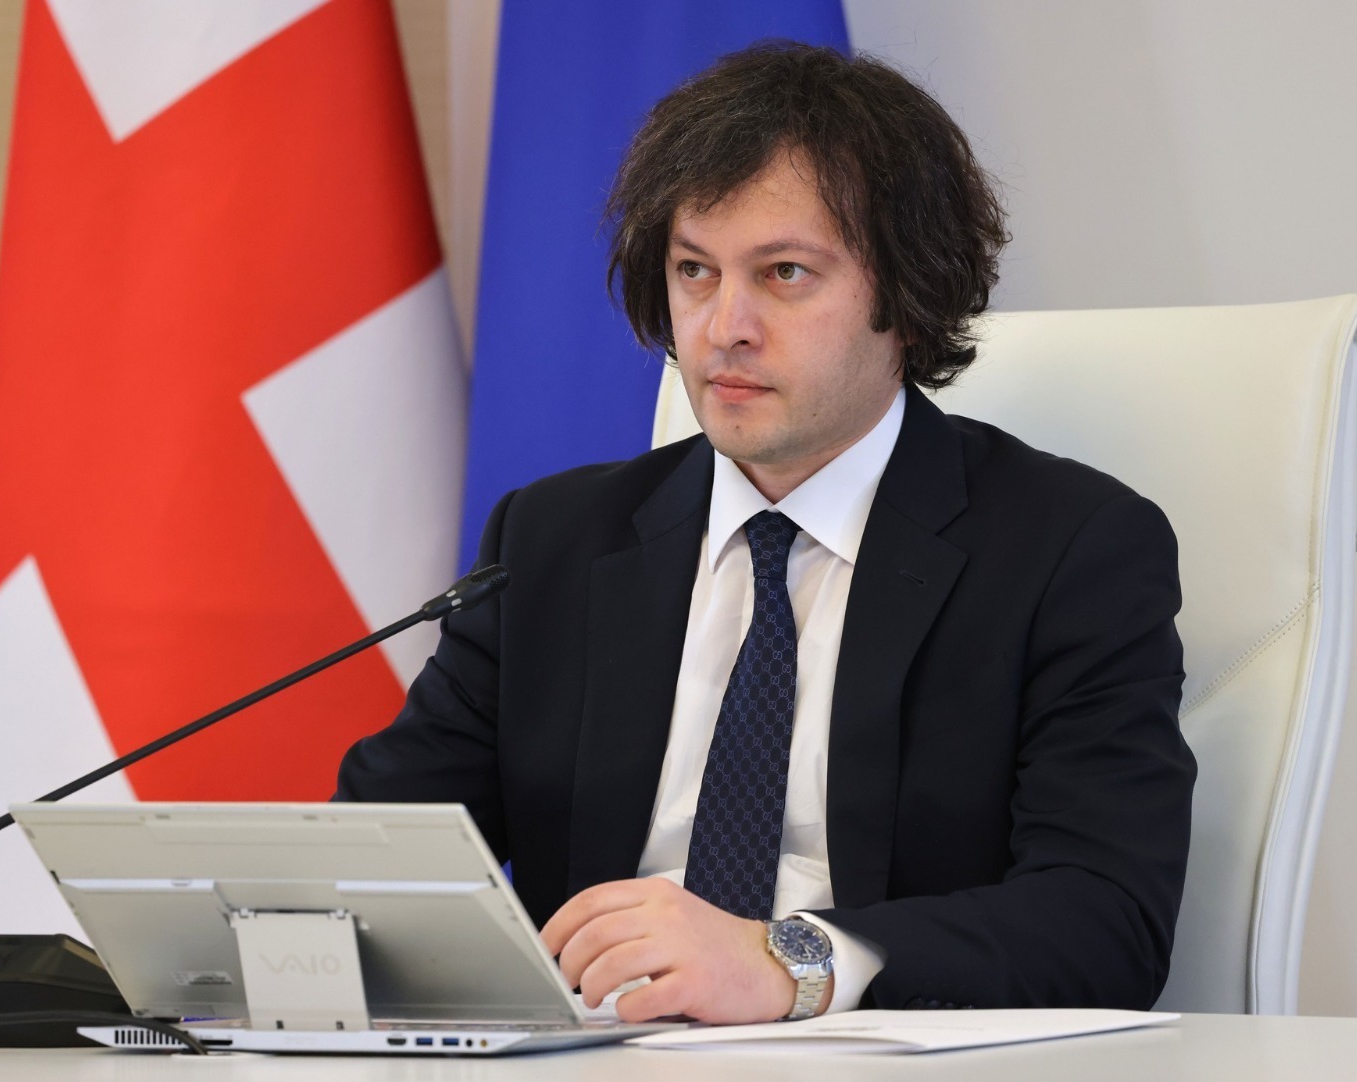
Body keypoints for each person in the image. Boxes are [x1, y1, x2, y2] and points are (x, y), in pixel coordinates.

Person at [336, 42, 1196, 1025]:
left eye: (784, 273)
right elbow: (378, 855)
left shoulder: (1069, 550)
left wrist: (787, 962)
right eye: (694, 271)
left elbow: (1105, 922)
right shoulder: (552, 541)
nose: (723, 327)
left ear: (908, 298)